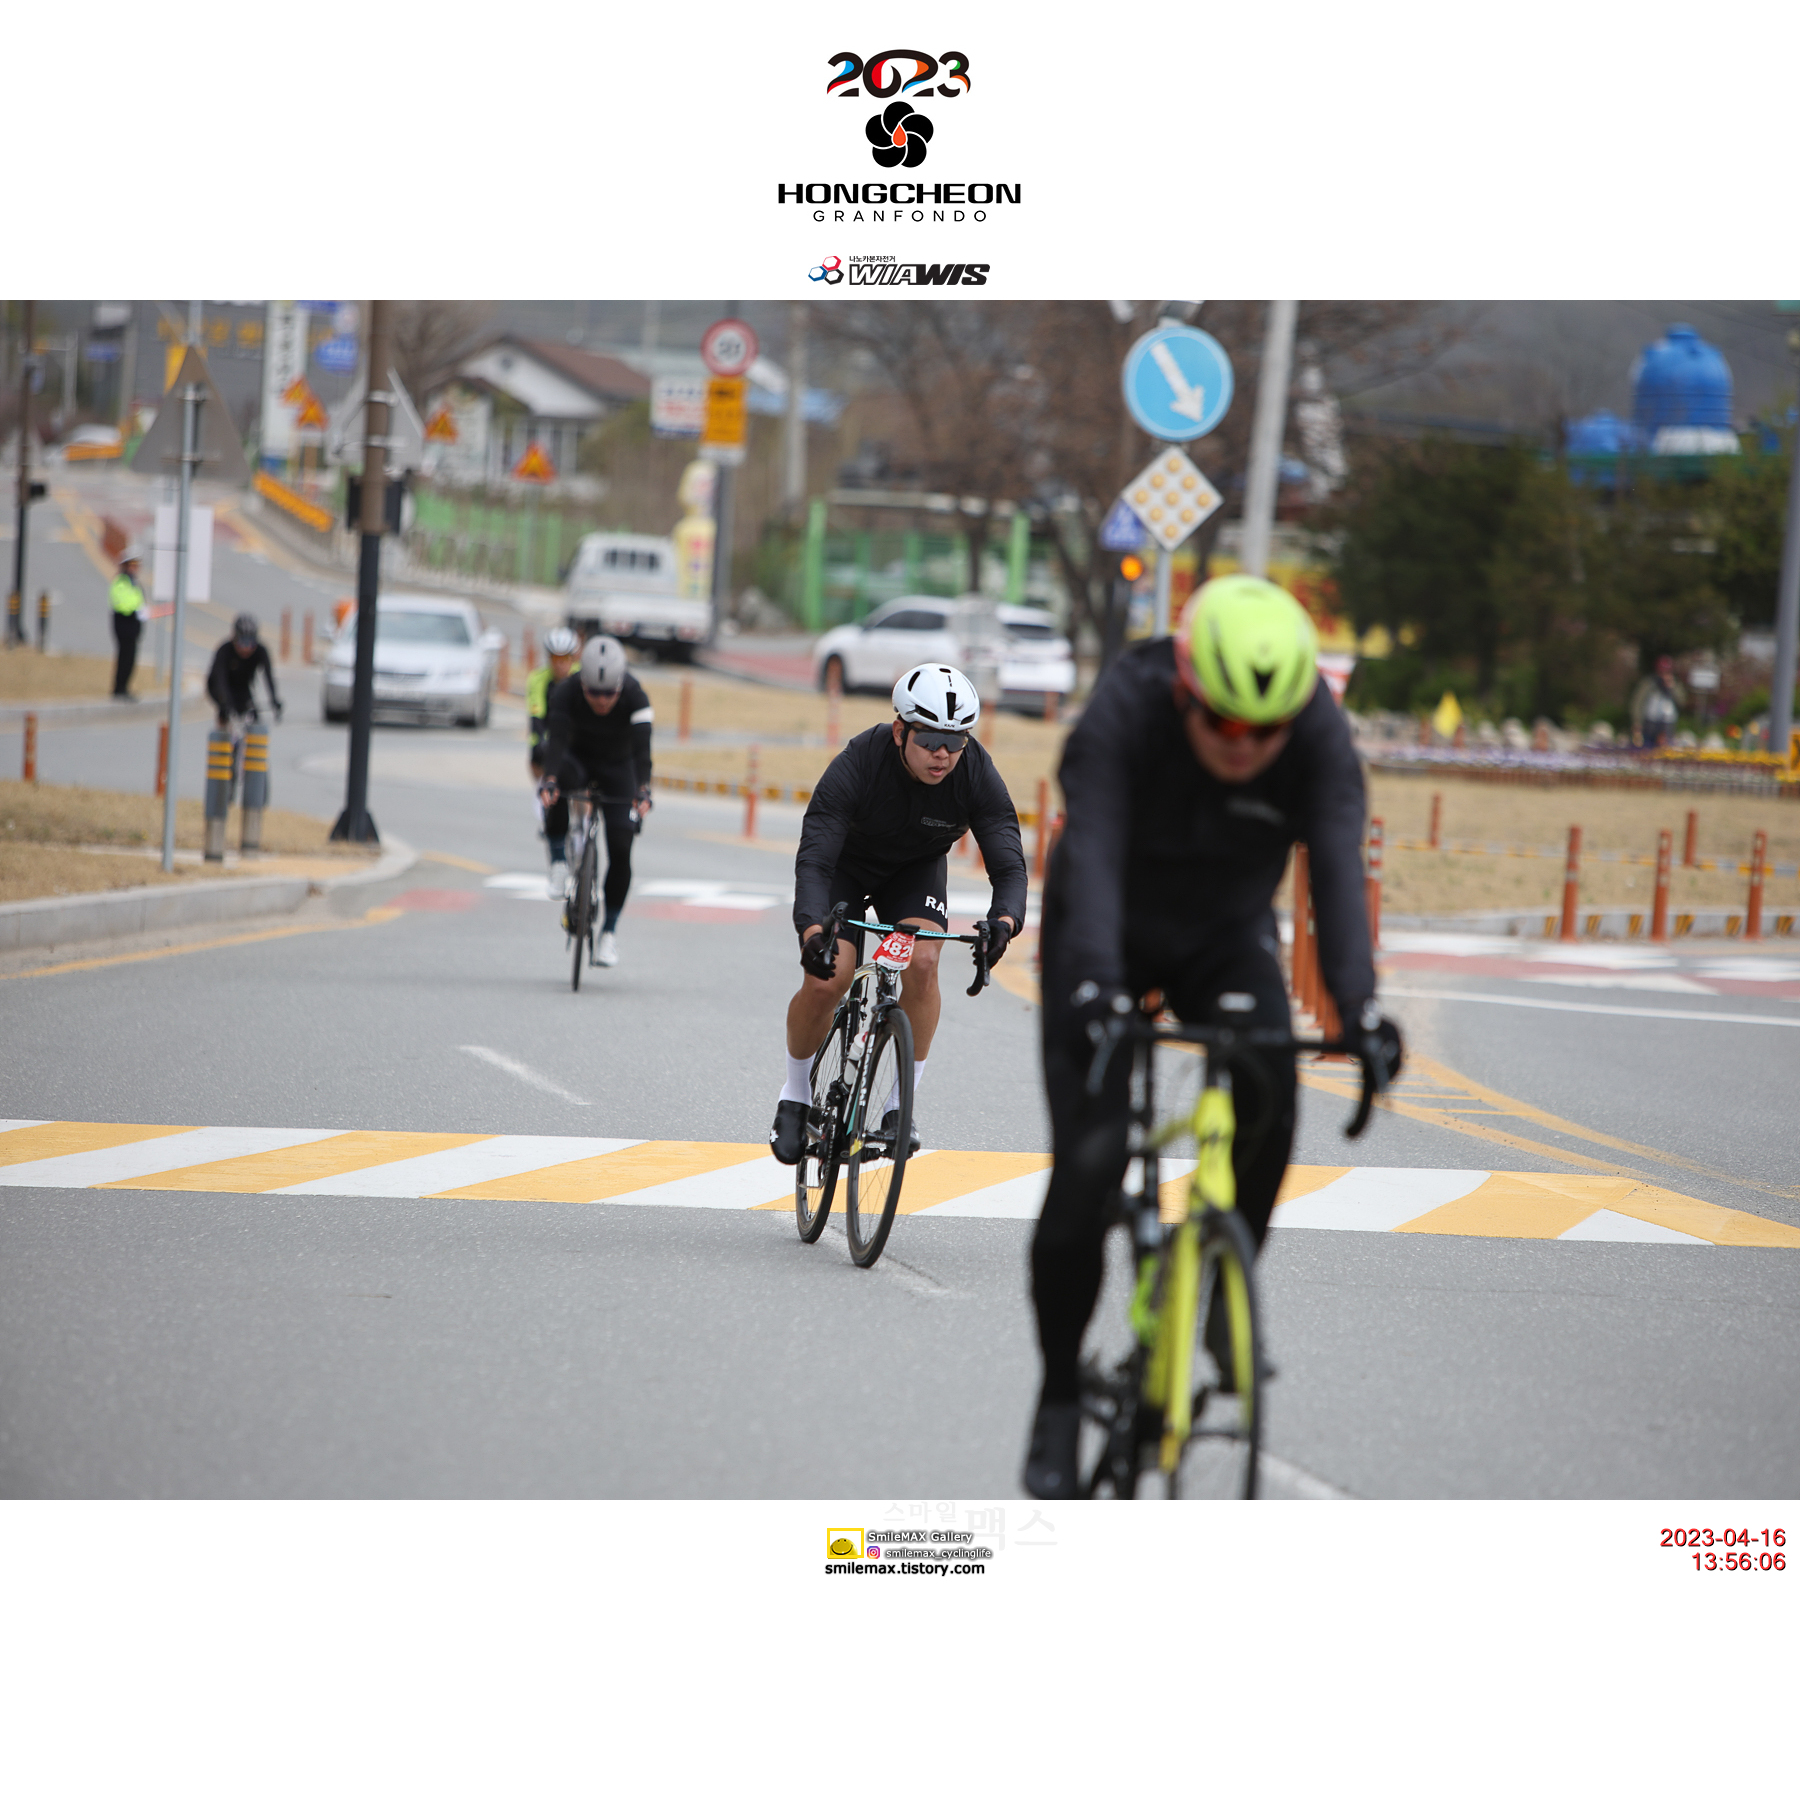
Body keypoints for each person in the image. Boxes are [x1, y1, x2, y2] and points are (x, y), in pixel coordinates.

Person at [1022, 576, 1404, 1499]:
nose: (1245, 746)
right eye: (1224, 723)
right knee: (1087, 1167)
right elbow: (1094, 853)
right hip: (1104, 928)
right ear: (1187, 691)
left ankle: (1226, 1283)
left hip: (1223, 934)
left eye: (1265, 732)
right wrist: (1094, 987)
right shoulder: (1125, 712)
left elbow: (1335, 874)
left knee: (1272, 1091)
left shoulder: (1316, 739)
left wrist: (1358, 1011)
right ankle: (1060, 1395)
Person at [769, 663, 1027, 1165]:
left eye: (956, 741)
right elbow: (816, 859)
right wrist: (812, 931)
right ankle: (795, 1095)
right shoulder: (859, 763)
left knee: (924, 963)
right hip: (846, 868)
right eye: (929, 739)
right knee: (828, 979)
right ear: (899, 731)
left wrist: (1005, 922)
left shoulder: (974, 771)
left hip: (914, 872)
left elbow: (1008, 863)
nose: (943, 754)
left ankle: (895, 1109)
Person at [537, 634, 653, 968]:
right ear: (583, 683)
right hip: (578, 760)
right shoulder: (566, 691)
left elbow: (643, 752)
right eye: (594, 693)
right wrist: (549, 779)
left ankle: (609, 933)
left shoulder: (636, 695)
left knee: (621, 844)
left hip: (619, 766)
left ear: (620, 686)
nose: (602, 701)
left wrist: (643, 789)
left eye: (609, 694)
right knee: (556, 784)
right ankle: (558, 861)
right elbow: (556, 742)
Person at [528, 626, 582, 889]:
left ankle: (583, 825)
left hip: (577, 739)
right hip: (551, 736)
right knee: (538, 755)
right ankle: (543, 796)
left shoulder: (582, 678)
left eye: (565, 659)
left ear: (573, 658)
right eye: (555, 659)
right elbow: (536, 717)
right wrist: (544, 743)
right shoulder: (538, 679)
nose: (560, 665)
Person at [207, 613, 283, 728]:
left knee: (252, 713)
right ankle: (223, 732)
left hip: (242, 685)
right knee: (226, 711)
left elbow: (268, 677)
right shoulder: (225, 650)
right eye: (242, 643)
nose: (246, 649)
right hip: (219, 686)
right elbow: (219, 679)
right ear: (234, 639)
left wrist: (274, 699)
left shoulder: (260, 651)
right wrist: (226, 704)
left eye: (251, 643)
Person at [109, 552, 146, 699]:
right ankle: (119, 688)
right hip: (124, 623)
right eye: (132, 565)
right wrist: (136, 610)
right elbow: (123, 604)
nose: (134, 568)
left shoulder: (133, 583)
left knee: (130, 658)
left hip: (133, 624)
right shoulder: (120, 582)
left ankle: (124, 687)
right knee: (124, 657)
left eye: (136, 565)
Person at [1629, 655, 1683, 749]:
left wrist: (1672, 688)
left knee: (1666, 750)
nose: (1664, 675)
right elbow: (1637, 702)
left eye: (1667, 672)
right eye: (1662, 672)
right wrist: (1637, 722)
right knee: (1646, 749)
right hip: (1650, 723)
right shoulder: (1648, 684)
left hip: (1668, 724)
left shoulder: (1675, 685)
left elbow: (1682, 701)